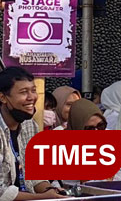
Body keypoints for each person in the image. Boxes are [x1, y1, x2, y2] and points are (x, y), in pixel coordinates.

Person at [0, 67, 67, 199]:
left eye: (33, 90)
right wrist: (43, 197)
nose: (32, 97)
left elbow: (36, 175)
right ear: (3, 97)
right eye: (24, 92)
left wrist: (51, 190)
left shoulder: (30, 126)